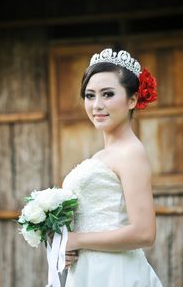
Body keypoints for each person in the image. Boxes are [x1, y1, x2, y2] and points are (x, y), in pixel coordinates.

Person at [62, 48, 163, 286]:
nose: (97, 104)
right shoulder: (101, 156)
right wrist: (67, 247)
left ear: (133, 100)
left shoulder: (131, 153)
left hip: (115, 273)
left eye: (107, 94)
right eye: (89, 95)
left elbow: (144, 233)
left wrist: (77, 240)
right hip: (88, 271)